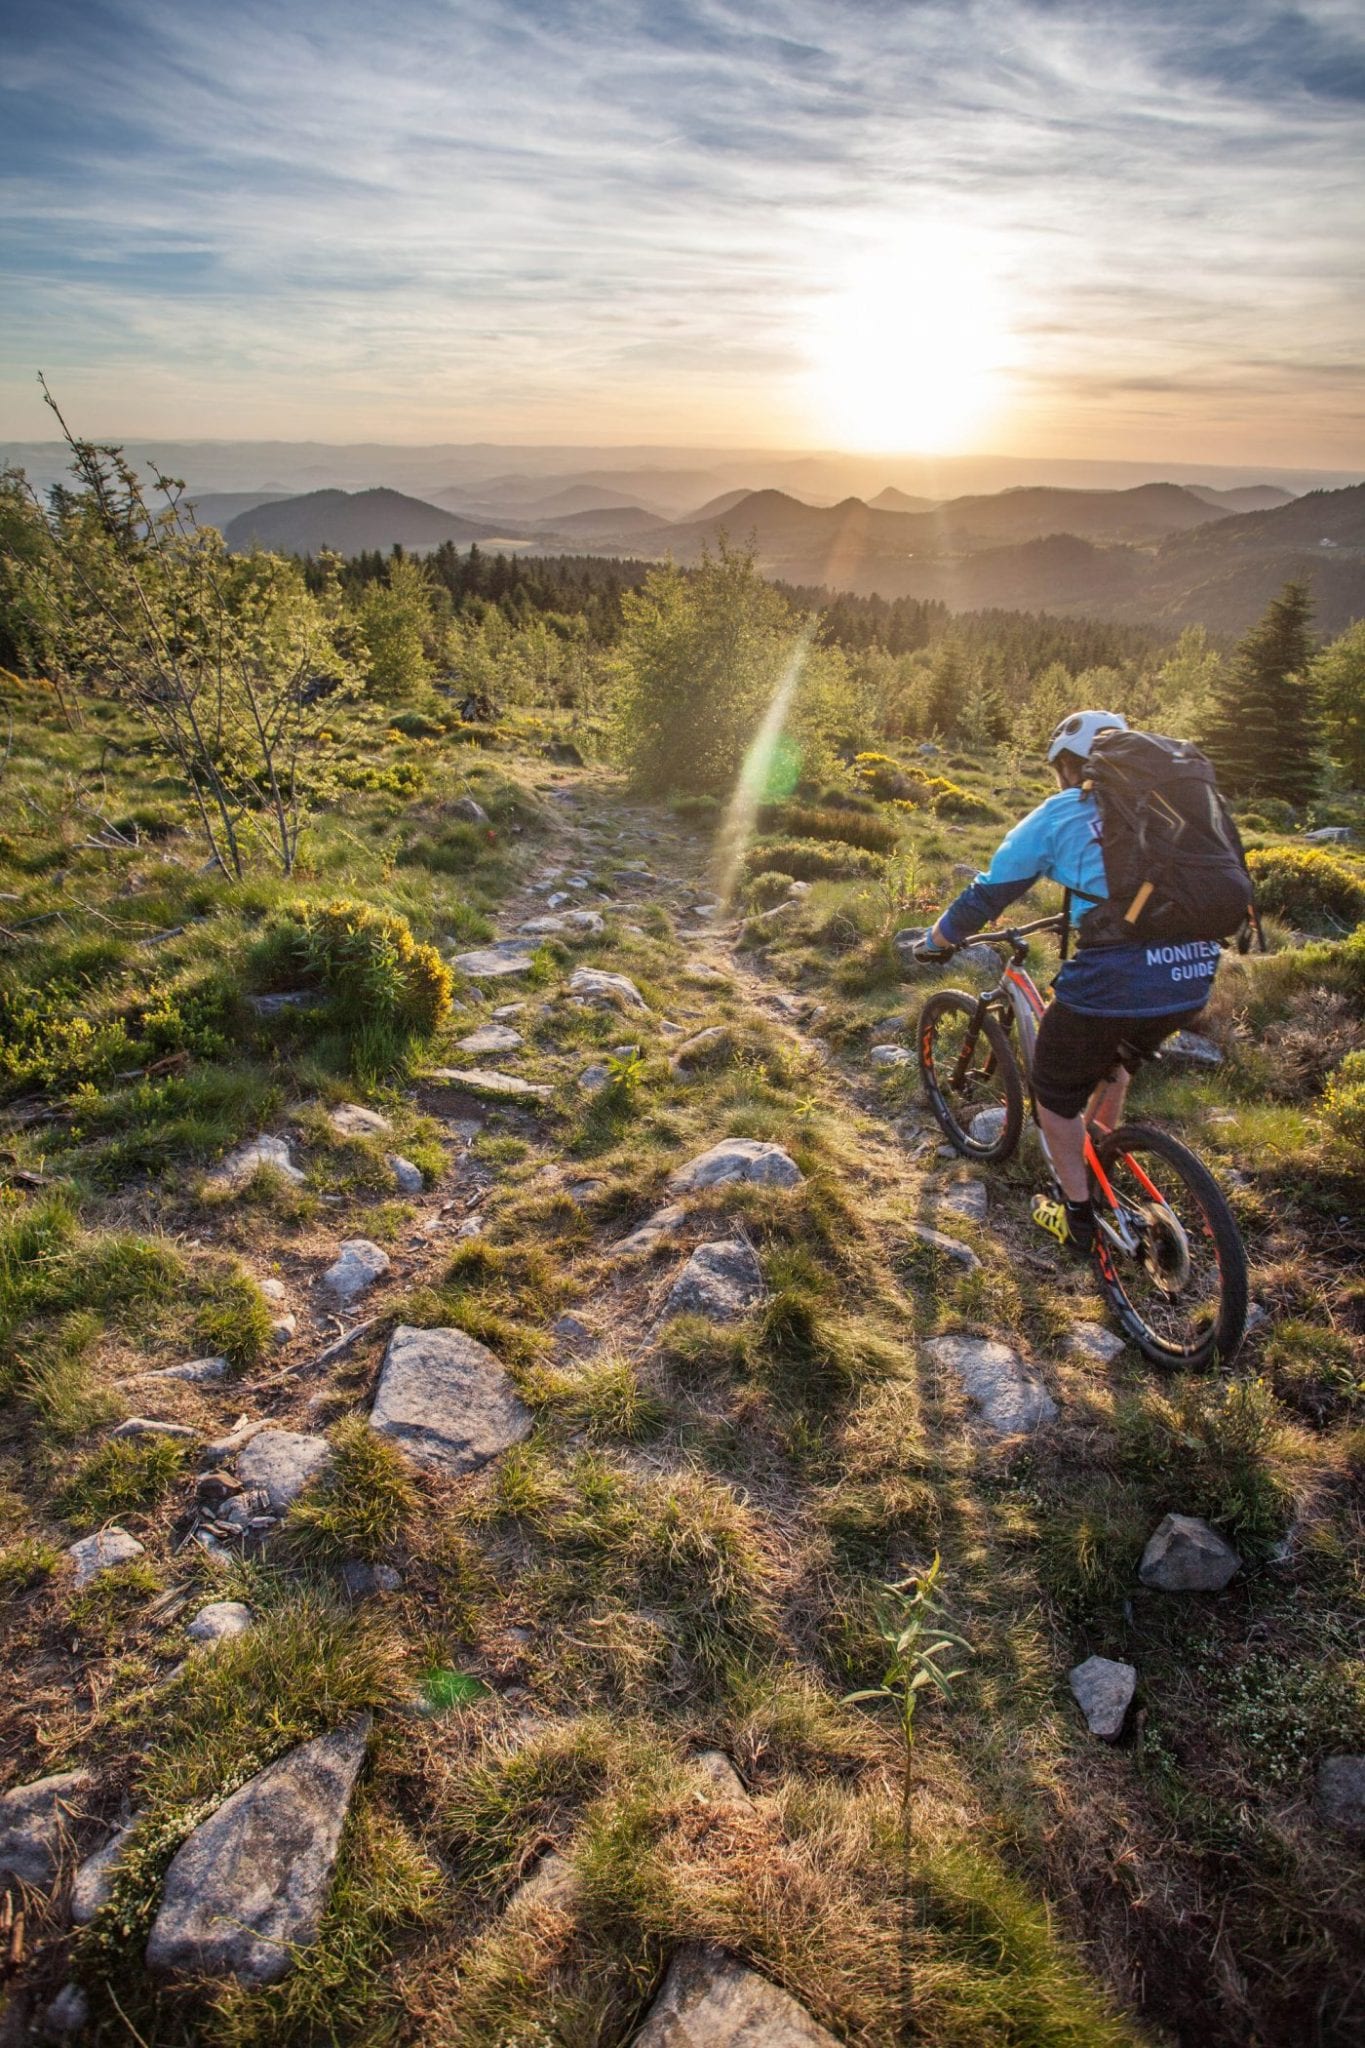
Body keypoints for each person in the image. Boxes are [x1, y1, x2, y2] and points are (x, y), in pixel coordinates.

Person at [913, 709, 1218, 1254]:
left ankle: (1077, 1218)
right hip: (1193, 972)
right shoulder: (1168, 810)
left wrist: (937, 941)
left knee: (1052, 1091)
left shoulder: (1062, 813)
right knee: (1112, 1055)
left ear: (1070, 765)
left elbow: (987, 893)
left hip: (1119, 975)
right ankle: (1099, 1154)